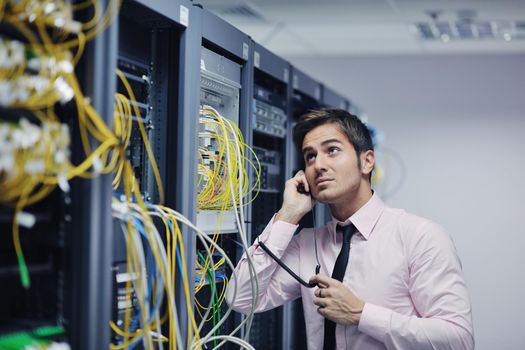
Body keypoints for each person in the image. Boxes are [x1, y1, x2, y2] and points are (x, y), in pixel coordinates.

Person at [225, 109, 474, 350]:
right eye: (310, 156)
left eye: (332, 150)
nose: (318, 165)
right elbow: (241, 298)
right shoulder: (307, 244)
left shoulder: (420, 236)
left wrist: (361, 314)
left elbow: (458, 340)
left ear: (367, 161)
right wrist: (288, 215)